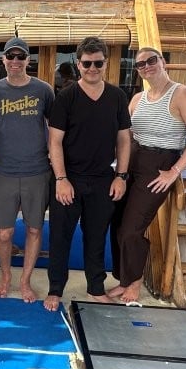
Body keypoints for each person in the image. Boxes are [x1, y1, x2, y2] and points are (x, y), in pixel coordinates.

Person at [108, 48, 186, 304]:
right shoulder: (138, 98)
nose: (146, 66)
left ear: (163, 62)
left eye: (151, 60)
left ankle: (135, 281)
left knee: (131, 229)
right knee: (117, 222)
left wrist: (175, 171)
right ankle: (124, 279)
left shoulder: (182, 94)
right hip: (132, 161)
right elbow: (126, 135)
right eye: (140, 64)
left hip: (159, 164)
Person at [45, 37, 131, 311]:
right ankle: (55, 289)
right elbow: (55, 141)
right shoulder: (66, 97)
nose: (92, 68)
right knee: (60, 236)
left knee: (96, 237)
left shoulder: (117, 97)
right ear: (78, 64)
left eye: (98, 63)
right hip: (68, 178)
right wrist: (61, 179)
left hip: (103, 178)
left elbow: (124, 140)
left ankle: (96, 288)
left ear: (105, 63)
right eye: (87, 63)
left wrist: (121, 176)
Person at [0, 37, 54, 302]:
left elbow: (56, 130)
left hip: (37, 171)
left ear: (28, 60)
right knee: (4, 232)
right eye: (11, 56)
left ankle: (25, 281)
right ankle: (6, 277)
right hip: (4, 171)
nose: (15, 61)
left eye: (21, 56)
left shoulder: (43, 90)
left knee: (34, 229)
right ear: (3, 59)